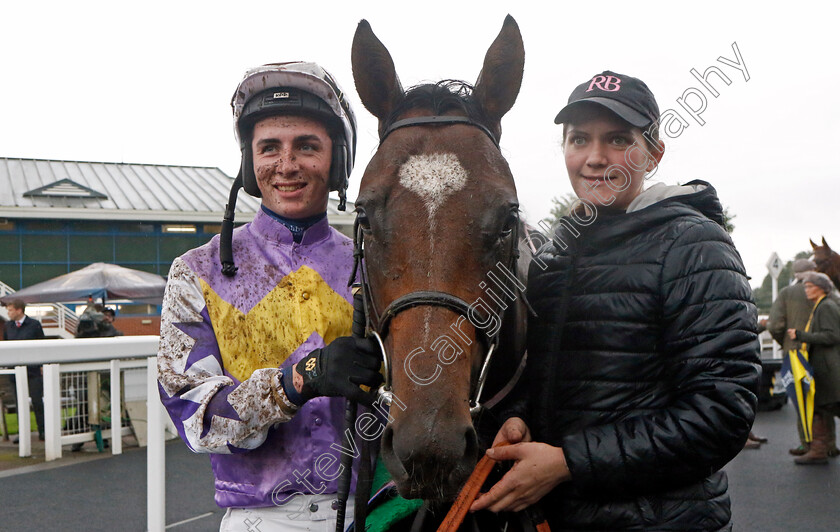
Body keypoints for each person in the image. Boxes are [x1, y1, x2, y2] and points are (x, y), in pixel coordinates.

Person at [472, 71, 761, 530]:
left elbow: (722, 412)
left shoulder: (695, 246)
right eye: (579, 139)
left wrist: (568, 463)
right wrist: (518, 420)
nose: (595, 158)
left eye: (619, 139)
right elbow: (546, 382)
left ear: (654, 154)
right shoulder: (554, 254)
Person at [157, 61, 383, 531]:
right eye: (269, 148)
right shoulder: (194, 272)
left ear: (337, 161)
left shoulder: (374, 265)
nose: (287, 165)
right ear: (248, 162)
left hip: (372, 511)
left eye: (307, 146)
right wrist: (296, 381)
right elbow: (196, 419)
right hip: (259, 519)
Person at [768, 258, 839, 456]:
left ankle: (808, 444)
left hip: (796, 354)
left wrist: (787, 343)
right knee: (824, 397)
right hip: (823, 354)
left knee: (803, 398)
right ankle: (829, 445)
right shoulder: (828, 293)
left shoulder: (787, 293)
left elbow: (774, 325)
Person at [786, 271, 840, 465]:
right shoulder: (821, 305)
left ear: (821, 288)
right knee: (819, 407)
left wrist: (800, 335)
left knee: (825, 406)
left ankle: (819, 450)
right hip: (824, 367)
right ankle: (819, 449)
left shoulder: (826, 307)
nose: (806, 289)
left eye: (809, 286)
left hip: (829, 368)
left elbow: (832, 336)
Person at [3, 299, 46, 442]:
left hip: (32, 370)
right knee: (19, 403)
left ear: (19, 310)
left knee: (37, 401)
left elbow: (41, 346)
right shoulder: (8, 326)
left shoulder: (34, 325)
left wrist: (41, 366)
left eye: (10, 310)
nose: (8, 313)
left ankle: (43, 431)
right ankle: (22, 434)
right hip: (15, 371)